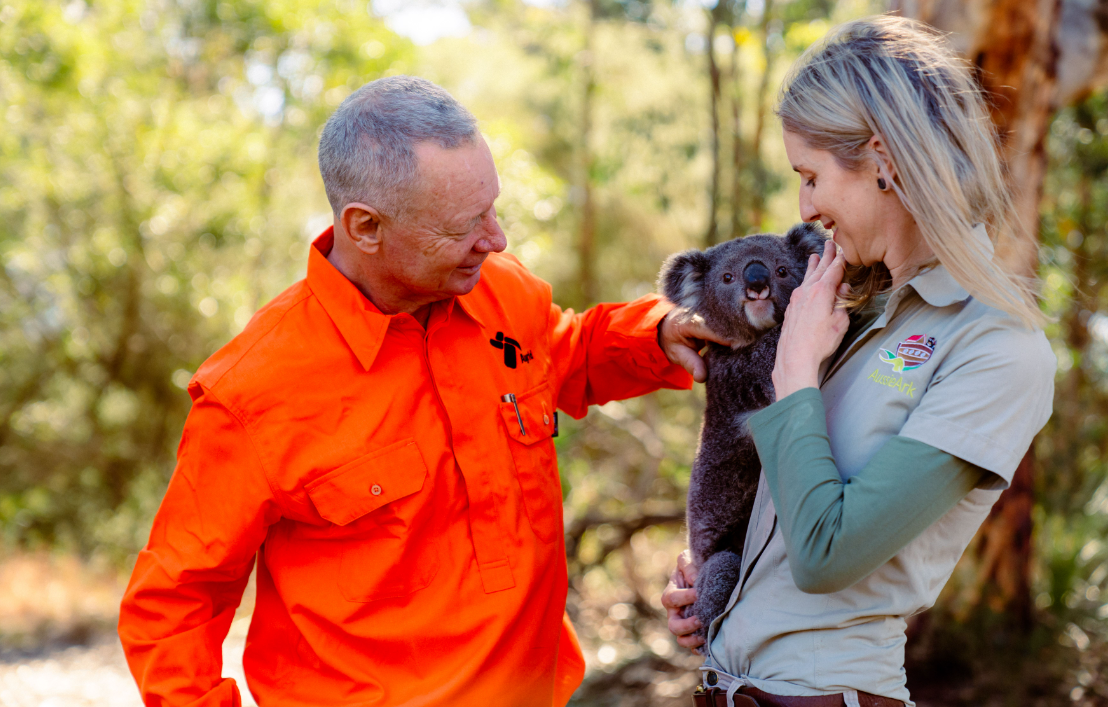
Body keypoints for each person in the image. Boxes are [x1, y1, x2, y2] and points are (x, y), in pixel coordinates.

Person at [117, 76, 725, 706]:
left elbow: (567, 355)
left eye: (492, 207)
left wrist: (658, 331)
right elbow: (171, 608)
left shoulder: (500, 290)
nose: (496, 239)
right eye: (465, 225)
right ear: (366, 227)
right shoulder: (251, 392)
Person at [662, 16, 1056, 707]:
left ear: (882, 159)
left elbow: (827, 554)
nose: (806, 207)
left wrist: (794, 372)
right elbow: (788, 516)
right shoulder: (851, 312)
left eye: (811, 177)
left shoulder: (995, 348)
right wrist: (719, 575)